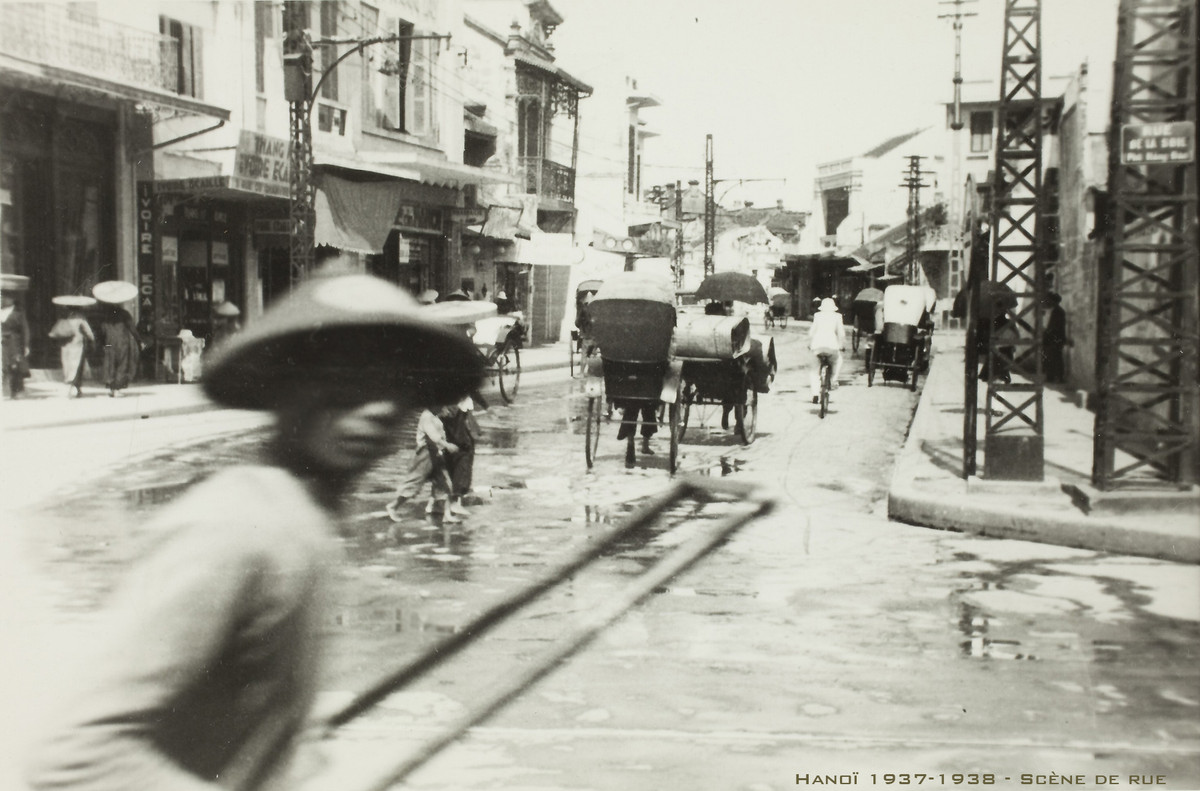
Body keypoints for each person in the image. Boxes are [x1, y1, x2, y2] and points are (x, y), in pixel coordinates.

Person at [23, 273, 482, 791]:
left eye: (393, 387)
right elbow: (75, 757)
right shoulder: (233, 525)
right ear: (288, 387)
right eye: (346, 383)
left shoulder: (305, 519)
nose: (375, 408)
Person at [386, 405, 461, 527]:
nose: (444, 408)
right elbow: (434, 436)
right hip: (425, 455)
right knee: (414, 484)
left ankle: (447, 515)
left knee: (446, 483)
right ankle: (393, 506)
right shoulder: (426, 417)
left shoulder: (435, 416)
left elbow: (442, 429)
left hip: (436, 454)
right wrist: (448, 446)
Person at [441, 394, 479, 517]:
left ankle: (451, 501)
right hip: (455, 408)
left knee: (454, 453)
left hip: (446, 407)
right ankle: (455, 500)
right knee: (464, 453)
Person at [97, 301, 141, 397]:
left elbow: (102, 330)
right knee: (122, 364)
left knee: (110, 364)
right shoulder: (124, 314)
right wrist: (139, 339)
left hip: (109, 343)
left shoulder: (106, 315)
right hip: (122, 342)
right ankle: (117, 389)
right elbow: (132, 328)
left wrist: (102, 343)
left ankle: (112, 388)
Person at [52, 307, 95, 398]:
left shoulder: (64, 316)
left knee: (67, 365)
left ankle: (74, 387)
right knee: (76, 367)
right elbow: (88, 331)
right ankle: (73, 388)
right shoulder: (80, 318)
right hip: (77, 345)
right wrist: (92, 338)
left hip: (65, 344)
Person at [808, 297, 845, 403]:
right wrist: (841, 345)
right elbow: (841, 333)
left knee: (814, 371)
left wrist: (810, 344)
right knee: (838, 361)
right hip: (832, 347)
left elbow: (811, 332)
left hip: (817, 347)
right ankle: (834, 379)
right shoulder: (838, 316)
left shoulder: (817, 316)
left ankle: (815, 393)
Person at [1, 280, 31, 399]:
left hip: (14, 342)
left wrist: (26, 345)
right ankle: (4, 392)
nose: (3, 300)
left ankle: (17, 391)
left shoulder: (18, 313)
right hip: (2, 342)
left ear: (12, 299)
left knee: (15, 366)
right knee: (3, 366)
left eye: (6, 297)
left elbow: (25, 329)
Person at [1042, 292, 1067, 384]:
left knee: (1055, 358)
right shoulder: (1055, 311)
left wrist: (1046, 333)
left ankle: (1057, 377)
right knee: (1052, 357)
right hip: (1054, 338)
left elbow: (1055, 326)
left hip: (1056, 338)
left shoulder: (1058, 312)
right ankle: (1052, 377)